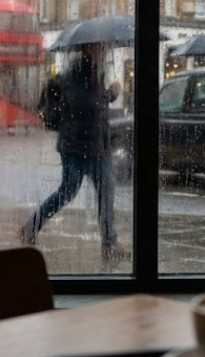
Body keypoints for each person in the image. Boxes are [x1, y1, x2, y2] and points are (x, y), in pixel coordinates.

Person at [21, 42, 127, 261]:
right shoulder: (74, 75)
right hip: (76, 146)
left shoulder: (95, 72)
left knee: (106, 193)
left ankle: (109, 243)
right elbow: (83, 105)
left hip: (98, 145)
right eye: (99, 48)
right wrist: (110, 94)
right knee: (67, 192)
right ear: (88, 49)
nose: (103, 51)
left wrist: (108, 94)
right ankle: (30, 227)